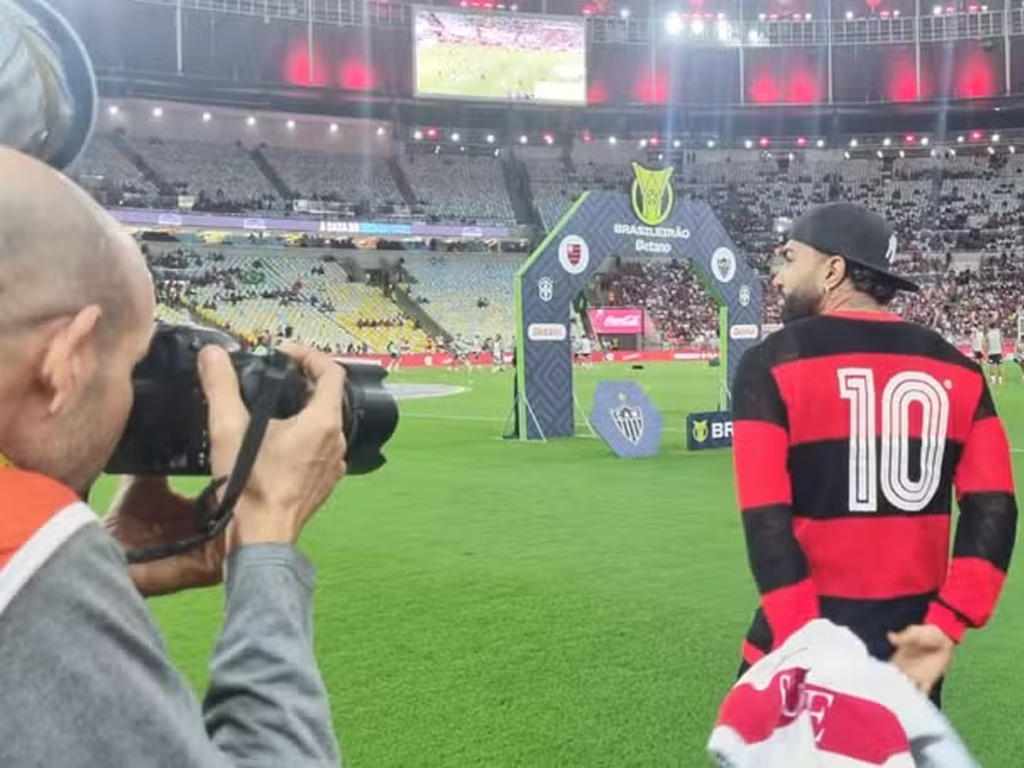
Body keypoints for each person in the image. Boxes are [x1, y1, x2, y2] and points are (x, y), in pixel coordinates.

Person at [0, 146, 346, 765]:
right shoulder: (15, 537)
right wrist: (265, 535)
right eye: (134, 367)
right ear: (67, 358)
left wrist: (100, 569)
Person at [730, 202, 1018, 709]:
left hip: (794, 648)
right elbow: (994, 508)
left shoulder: (769, 364)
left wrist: (804, 638)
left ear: (832, 269)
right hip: (908, 659)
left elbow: (765, 520)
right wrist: (947, 625)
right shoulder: (961, 371)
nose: (778, 278)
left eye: (789, 259)